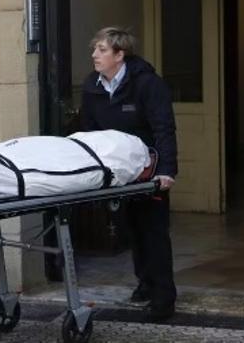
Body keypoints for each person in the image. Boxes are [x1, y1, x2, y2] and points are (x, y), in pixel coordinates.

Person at [79, 27, 178, 322]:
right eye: (95, 49)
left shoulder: (147, 84)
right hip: (117, 172)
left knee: (154, 233)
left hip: (148, 170)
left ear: (120, 55)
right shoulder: (92, 86)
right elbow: (90, 133)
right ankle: (145, 284)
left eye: (102, 50)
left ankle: (163, 298)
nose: (95, 55)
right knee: (132, 230)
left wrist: (166, 171)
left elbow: (164, 128)